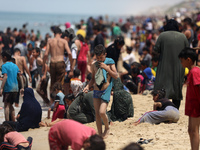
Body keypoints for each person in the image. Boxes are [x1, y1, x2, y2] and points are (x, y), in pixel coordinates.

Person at [83, 44, 118, 138]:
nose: (99, 59)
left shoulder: (110, 62)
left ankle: (107, 128)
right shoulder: (94, 65)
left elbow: (116, 75)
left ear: (105, 54)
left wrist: (106, 68)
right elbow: (93, 79)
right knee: (97, 115)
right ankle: (99, 133)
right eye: (98, 58)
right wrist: (87, 86)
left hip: (106, 90)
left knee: (102, 112)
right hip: (96, 91)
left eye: (101, 57)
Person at [153, 19, 189, 109]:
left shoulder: (162, 36)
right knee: (177, 88)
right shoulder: (183, 37)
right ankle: (175, 109)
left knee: (162, 87)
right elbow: (187, 51)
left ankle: (162, 109)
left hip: (164, 67)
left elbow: (156, 50)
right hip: (179, 66)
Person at [178, 47, 200, 150]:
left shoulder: (195, 71)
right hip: (192, 105)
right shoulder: (191, 72)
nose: (181, 63)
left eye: (182, 61)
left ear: (188, 60)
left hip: (196, 105)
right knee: (190, 130)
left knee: (194, 130)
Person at [43, 27, 73, 93]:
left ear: (54, 34)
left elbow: (46, 54)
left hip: (53, 63)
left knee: (52, 83)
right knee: (60, 83)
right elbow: (69, 53)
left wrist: (43, 65)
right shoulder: (64, 41)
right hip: (60, 62)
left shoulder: (50, 41)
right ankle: (59, 100)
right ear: (61, 34)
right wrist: (71, 66)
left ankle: (52, 100)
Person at [0, 50, 22, 121]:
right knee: (11, 105)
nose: (1, 59)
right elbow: (20, 76)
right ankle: (13, 121)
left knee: (6, 106)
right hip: (15, 88)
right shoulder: (15, 66)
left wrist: (1, 88)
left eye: (2, 58)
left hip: (8, 88)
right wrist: (22, 87)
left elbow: (5, 77)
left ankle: (7, 122)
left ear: (5, 57)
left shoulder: (4, 66)